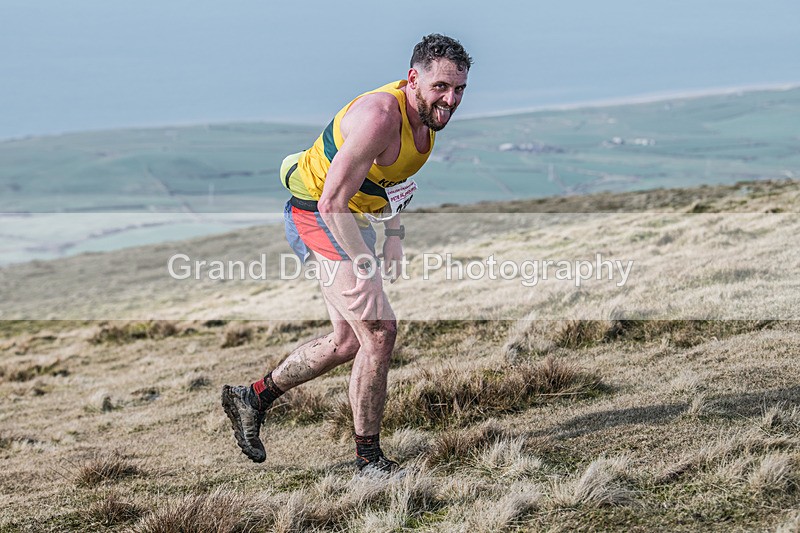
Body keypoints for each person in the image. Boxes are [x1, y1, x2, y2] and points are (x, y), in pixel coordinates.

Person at [221, 33, 471, 478]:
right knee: (380, 332)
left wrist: (394, 233)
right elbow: (330, 203)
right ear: (413, 78)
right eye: (441, 87)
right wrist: (364, 262)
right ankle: (369, 462)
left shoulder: (427, 121)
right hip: (319, 215)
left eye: (459, 90)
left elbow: (393, 185)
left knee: (348, 342)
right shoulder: (379, 117)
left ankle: (251, 397)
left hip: (350, 220)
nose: (450, 100)